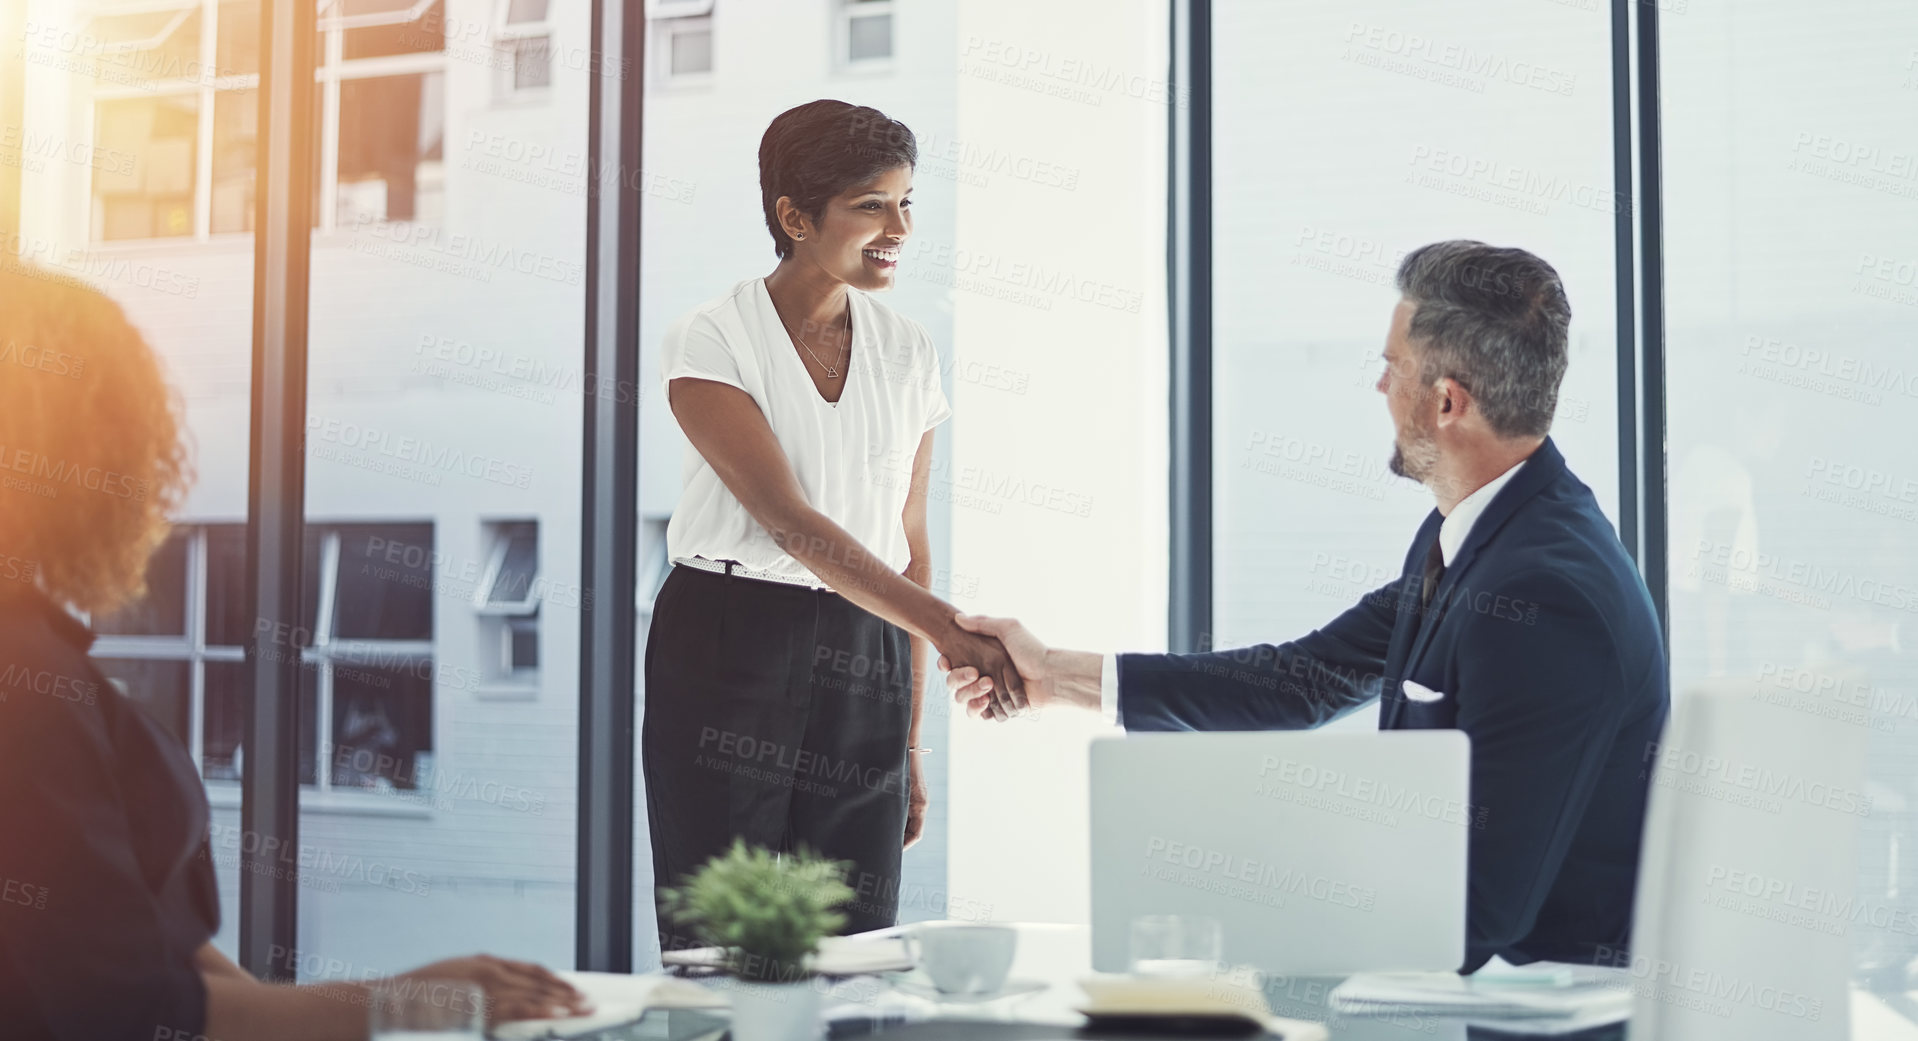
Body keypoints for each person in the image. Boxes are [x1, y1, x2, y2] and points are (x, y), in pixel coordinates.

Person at [945, 241, 1670, 973]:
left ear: (1448, 401)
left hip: (1523, 1010)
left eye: (1391, 366)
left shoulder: (1546, 597)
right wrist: (1054, 676)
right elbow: (1301, 679)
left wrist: (1247, 900)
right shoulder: (1482, 531)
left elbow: (1479, 911)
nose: (1379, 385)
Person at [0, 262, 587, 1040]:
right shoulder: (30, 686)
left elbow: (141, 944)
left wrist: (331, 1013)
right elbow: (123, 1009)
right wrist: (399, 1004)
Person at [643, 99, 1021, 944]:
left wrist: (910, 741)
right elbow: (790, 523)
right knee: (722, 935)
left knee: (859, 933)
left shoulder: (910, 348)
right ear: (794, 216)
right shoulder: (709, 339)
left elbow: (912, 549)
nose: (900, 227)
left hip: (872, 640)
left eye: (907, 201)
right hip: (728, 637)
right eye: (871, 204)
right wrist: (955, 633)